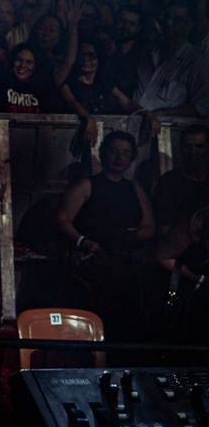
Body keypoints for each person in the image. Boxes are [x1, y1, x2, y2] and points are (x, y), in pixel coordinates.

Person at [56, 130, 155, 334]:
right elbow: (62, 219)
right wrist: (83, 242)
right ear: (103, 154)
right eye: (114, 152)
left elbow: (149, 226)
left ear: (131, 158)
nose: (119, 158)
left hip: (126, 262)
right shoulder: (87, 185)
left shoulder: (134, 188)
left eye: (125, 153)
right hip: (92, 261)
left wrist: (133, 237)